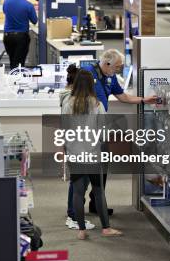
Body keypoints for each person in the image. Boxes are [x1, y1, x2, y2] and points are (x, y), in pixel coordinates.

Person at [82, 49, 158, 215]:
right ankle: (74, 210)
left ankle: (97, 203)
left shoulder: (110, 77)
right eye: (116, 67)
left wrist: (143, 100)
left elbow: (122, 96)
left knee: (102, 167)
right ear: (107, 63)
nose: (117, 70)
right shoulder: (87, 73)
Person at [61, 69, 122, 240]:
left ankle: (81, 230)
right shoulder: (97, 105)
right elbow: (103, 133)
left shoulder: (68, 103)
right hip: (93, 155)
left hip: (75, 155)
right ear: (90, 85)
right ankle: (106, 228)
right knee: (98, 192)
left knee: (78, 193)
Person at [60, 64, 96, 231]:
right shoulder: (95, 104)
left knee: (76, 183)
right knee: (83, 184)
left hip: (73, 147)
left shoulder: (68, 102)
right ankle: (74, 216)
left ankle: (72, 214)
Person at [3, 0, 38, 69]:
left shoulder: (7, 1)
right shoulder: (28, 5)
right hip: (21, 37)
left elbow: (5, 12)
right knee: (19, 63)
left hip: (8, 37)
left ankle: (12, 79)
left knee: (12, 61)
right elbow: (34, 21)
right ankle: (17, 80)